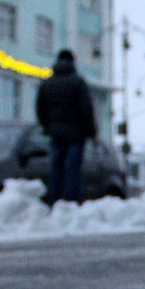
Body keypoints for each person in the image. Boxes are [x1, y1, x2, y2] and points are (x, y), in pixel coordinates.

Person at [35, 49, 97, 204]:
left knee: (57, 168)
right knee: (74, 169)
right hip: (76, 134)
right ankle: (71, 202)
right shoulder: (77, 82)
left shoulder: (47, 83)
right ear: (73, 62)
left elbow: (40, 109)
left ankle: (55, 200)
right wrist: (91, 132)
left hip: (56, 133)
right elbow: (86, 109)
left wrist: (47, 127)